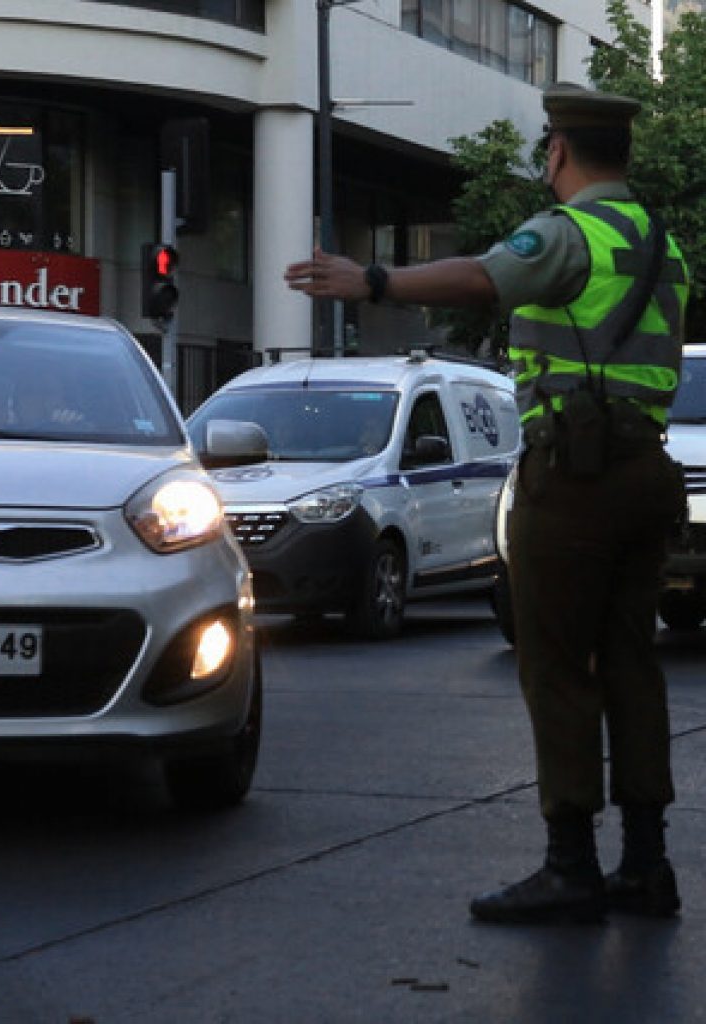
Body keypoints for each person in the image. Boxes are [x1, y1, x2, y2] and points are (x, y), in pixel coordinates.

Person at [285, 82, 689, 925]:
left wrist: (375, 280)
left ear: (558, 152)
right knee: (630, 662)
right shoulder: (661, 243)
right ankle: (647, 864)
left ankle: (570, 865)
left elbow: (484, 277)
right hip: (647, 472)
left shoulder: (570, 232)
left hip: (574, 477)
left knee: (556, 664)